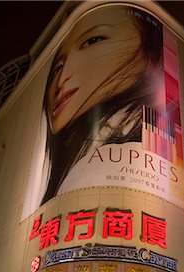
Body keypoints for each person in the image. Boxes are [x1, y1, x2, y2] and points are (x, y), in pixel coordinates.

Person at [22, 4, 168, 219]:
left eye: (93, 40)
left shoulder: (147, 140)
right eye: (57, 68)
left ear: (150, 50)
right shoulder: (73, 160)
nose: (61, 80)